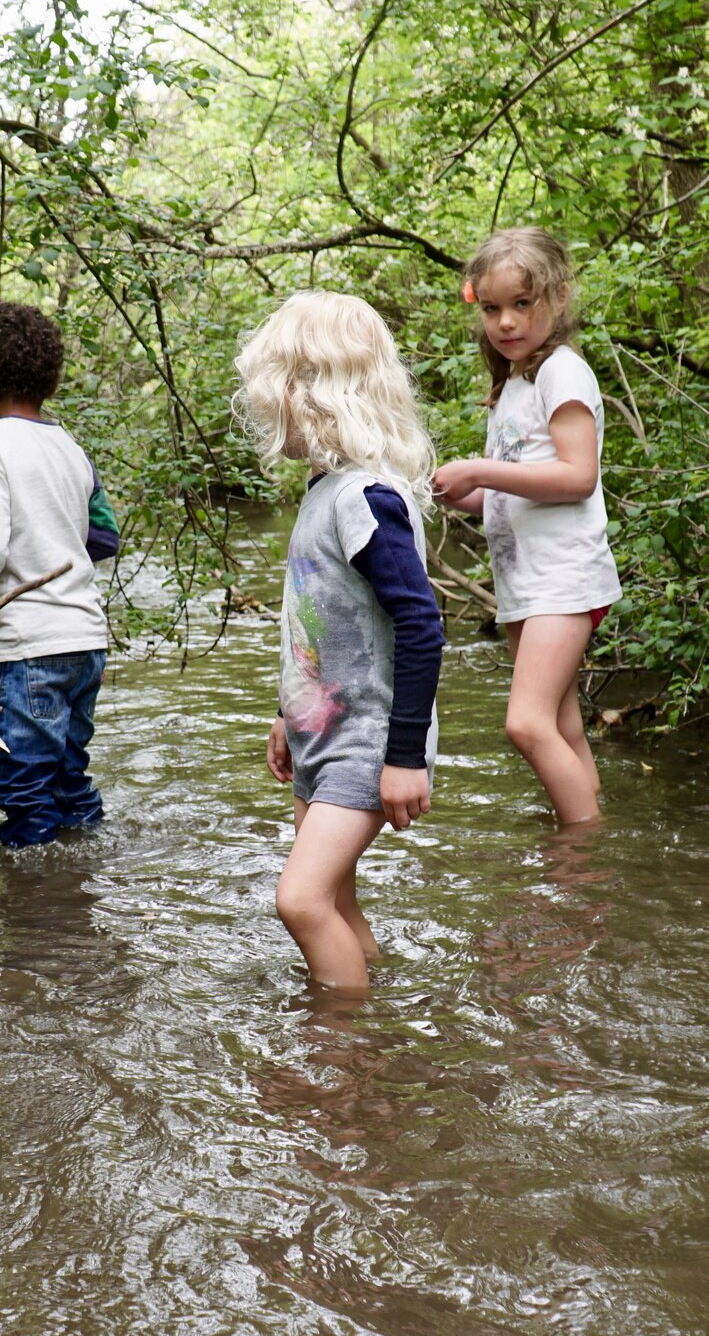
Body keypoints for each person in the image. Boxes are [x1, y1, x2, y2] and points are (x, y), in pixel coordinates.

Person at [236, 291, 445, 995]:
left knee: (299, 899)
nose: (271, 412)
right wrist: (285, 710)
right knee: (335, 899)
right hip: (321, 732)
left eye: (278, 393)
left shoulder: (367, 498)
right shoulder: (324, 489)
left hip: (370, 740)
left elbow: (421, 623)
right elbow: (317, 618)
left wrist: (406, 757)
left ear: (318, 395)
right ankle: (374, 1014)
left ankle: (343, 1050)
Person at [431, 228, 621, 824]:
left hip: (564, 578)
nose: (506, 322)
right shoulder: (516, 381)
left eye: (522, 304)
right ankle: (592, 854)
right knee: (562, 725)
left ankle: (580, 852)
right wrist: (458, 494)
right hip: (527, 582)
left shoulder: (562, 372)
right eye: (491, 308)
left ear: (558, 298)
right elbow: (513, 491)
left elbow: (576, 477)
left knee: (527, 723)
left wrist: (479, 468)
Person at [0, 302, 123, 848]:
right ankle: (86, 875)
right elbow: (104, 538)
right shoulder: (70, 447)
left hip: (28, 650)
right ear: (49, 379)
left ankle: (36, 913)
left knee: (23, 790)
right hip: (86, 641)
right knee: (68, 778)